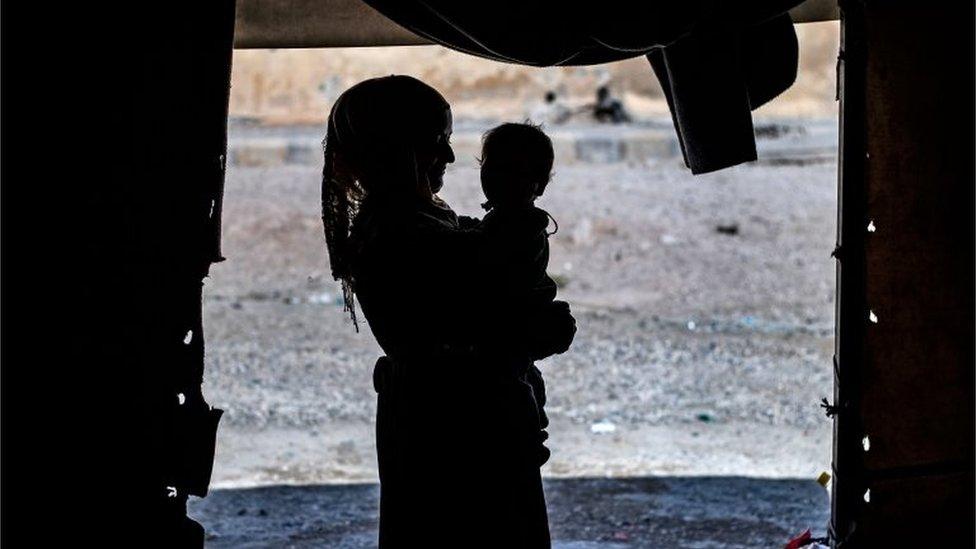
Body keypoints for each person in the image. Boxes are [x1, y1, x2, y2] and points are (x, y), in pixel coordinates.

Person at [320, 75, 576, 548]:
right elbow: (470, 330)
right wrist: (535, 332)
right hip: (455, 437)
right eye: (437, 143)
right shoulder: (399, 234)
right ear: (399, 149)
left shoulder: (419, 221)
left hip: (456, 424)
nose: (451, 157)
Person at [475, 122, 561, 465]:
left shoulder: (517, 227)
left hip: (504, 339)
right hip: (510, 342)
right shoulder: (505, 222)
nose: (497, 177)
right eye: (491, 167)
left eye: (512, 170)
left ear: (537, 184)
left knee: (512, 387)